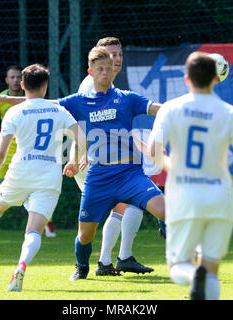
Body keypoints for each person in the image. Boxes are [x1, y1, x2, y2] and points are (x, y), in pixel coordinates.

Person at [0, 47, 166, 281]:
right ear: (91, 71)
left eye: (109, 69)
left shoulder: (127, 98)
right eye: (100, 69)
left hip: (130, 173)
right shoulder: (80, 101)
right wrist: (5, 99)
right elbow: (42, 102)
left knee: (165, 210)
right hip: (99, 177)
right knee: (85, 235)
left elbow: (161, 109)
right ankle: (82, 267)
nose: (105, 73)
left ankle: (180, 255)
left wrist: (188, 106)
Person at [0, 64, 87, 292]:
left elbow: (0, 153)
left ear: (23, 85)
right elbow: (82, 138)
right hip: (49, 176)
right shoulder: (59, 111)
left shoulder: (14, 111)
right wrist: (75, 159)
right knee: (34, 230)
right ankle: (21, 265)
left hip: (20, 172)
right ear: (45, 86)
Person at [147, 51, 233, 300]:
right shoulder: (229, 112)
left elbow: (154, 151)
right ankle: (201, 276)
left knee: (178, 268)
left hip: (185, 195)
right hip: (221, 196)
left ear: (187, 78)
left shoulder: (171, 108)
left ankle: (192, 275)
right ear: (215, 79)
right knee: (211, 271)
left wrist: (171, 166)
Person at [74, 37, 158, 276]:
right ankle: (104, 261)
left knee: (130, 203)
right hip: (90, 158)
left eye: (119, 54)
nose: (116, 59)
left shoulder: (113, 85)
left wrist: (140, 145)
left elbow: (116, 127)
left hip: (106, 157)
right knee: (122, 205)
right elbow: (83, 123)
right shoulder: (90, 84)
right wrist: (82, 154)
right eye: (111, 54)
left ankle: (118, 258)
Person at [0, 64, 57, 237]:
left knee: (38, 189)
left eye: (18, 77)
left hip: (28, 154)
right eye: (12, 77)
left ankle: (48, 222)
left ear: (23, 83)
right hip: (6, 153)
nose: (16, 80)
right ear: (7, 80)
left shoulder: (32, 99)